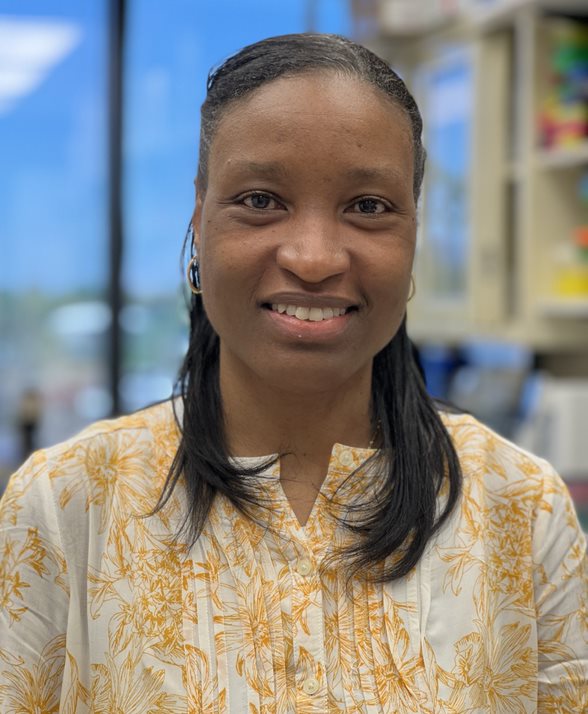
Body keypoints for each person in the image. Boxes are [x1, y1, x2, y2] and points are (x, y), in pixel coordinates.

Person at [0, 33, 585, 713]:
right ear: (198, 217)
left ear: (414, 233)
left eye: (368, 206)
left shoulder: (521, 509)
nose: (312, 257)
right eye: (260, 199)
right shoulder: (67, 503)